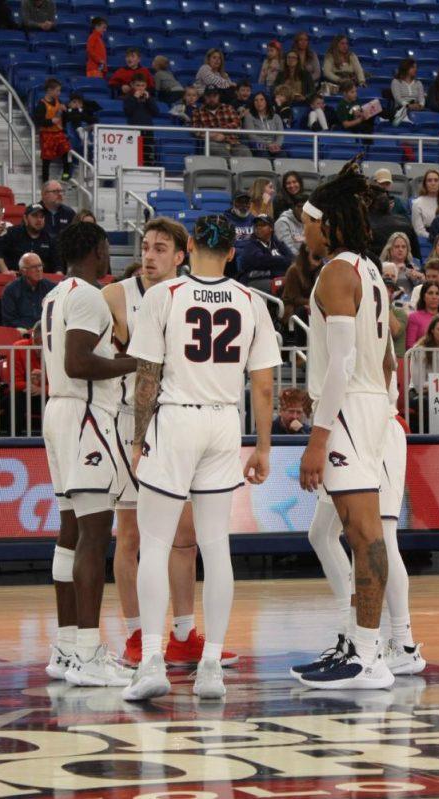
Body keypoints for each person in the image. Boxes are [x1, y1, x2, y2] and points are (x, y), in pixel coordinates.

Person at [120, 215, 277, 701]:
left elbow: (147, 376)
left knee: (156, 540)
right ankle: (211, 668)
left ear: (187, 248)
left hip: (178, 418)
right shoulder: (253, 302)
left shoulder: (162, 296)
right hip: (224, 422)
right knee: (215, 547)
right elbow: (266, 385)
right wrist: (264, 446)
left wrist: (136, 438)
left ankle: (151, 660)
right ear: (232, 253)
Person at [287, 161, 398, 690]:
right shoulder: (370, 270)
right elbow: (389, 359)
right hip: (369, 405)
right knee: (342, 530)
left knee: (364, 532)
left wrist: (318, 435)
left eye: (308, 223)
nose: (303, 230)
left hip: (349, 408)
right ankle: (359, 642)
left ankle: (371, 657)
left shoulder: (336, 272)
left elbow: (341, 364)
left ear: (328, 223)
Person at [102, 219, 217, 667]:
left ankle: (185, 634)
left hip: (180, 422)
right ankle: (135, 635)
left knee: (184, 537)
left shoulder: (194, 294)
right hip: (133, 421)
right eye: (145, 247)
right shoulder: (115, 296)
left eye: (160, 248)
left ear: (179, 256)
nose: (149, 255)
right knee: (131, 536)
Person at [40, 223, 138, 687]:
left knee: (71, 528)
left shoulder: (56, 294)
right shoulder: (88, 296)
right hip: (83, 415)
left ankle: (65, 648)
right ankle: (87, 652)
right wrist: (134, 363)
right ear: (97, 250)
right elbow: (77, 362)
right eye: (106, 248)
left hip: (60, 414)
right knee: (94, 534)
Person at [0, 202, 59, 273]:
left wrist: (58, 274)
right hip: (15, 278)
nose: (39, 219)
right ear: (25, 218)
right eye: (35, 216)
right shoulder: (12, 233)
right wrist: (5, 271)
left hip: (41, 280)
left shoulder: (50, 238)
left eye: (42, 216)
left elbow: (58, 263)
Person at [236, 215, 293, 293]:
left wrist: (276, 263)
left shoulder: (277, 243)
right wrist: (281, 261)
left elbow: (291, 258)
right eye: (256, 225)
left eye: (262, 225)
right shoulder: (250, 245)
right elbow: (262, 260)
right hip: (252, 281)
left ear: (271, 228)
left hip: (275, 278)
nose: (258, 228)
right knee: (281, 285)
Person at [1, 252, 55, 330]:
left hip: (47, 330)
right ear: (23, 271)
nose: (39, 269)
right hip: (22, 332)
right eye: (34, 267)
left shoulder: (51, 288)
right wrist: (28, 330)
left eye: (40, 266)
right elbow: (9, 320)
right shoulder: (10, 290)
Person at [189, 86, 248, 158]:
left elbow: (237, 123)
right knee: (213, 147)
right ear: (205, 97)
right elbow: (197, 131)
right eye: (209, 96)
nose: (212, 99)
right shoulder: (197, 112)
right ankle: (230, 166)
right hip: (213, 142)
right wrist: (213, 137)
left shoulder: (228, 108)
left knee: (245, 150)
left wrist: (219, 131)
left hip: (233, 142)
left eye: (214, 96)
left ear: (218, 96)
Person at [33, 79, 72, 182]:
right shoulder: (42, 104)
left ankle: (66, 176)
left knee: (67, 152)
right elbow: (38, 120)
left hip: (59, 133)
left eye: (59, 91)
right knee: (47, 159)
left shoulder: (60, 102)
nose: (59, 93)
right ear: (50, 90)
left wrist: (65, 111)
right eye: (57, 91)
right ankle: (45, 182)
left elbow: (66, 119)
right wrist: (50, 121)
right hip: (47, 134)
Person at [242, 92, 285, 157]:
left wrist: (276, 145)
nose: (259, 102)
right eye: (256, 100)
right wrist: (268, 145)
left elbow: (280, 134)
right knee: (264, 154)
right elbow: (251, 136)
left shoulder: (276, 117)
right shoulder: (249, 117)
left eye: (262, 100)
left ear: (266, 102)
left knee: (282, 155)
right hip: (258, 147)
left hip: (275, 146)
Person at [412, 168, 439, 239]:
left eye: (436, 180)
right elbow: (419, 231)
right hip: (427, 240)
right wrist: (436, 239)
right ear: (425, 184)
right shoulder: (417, 203)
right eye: (429, 180)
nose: (433, 183)